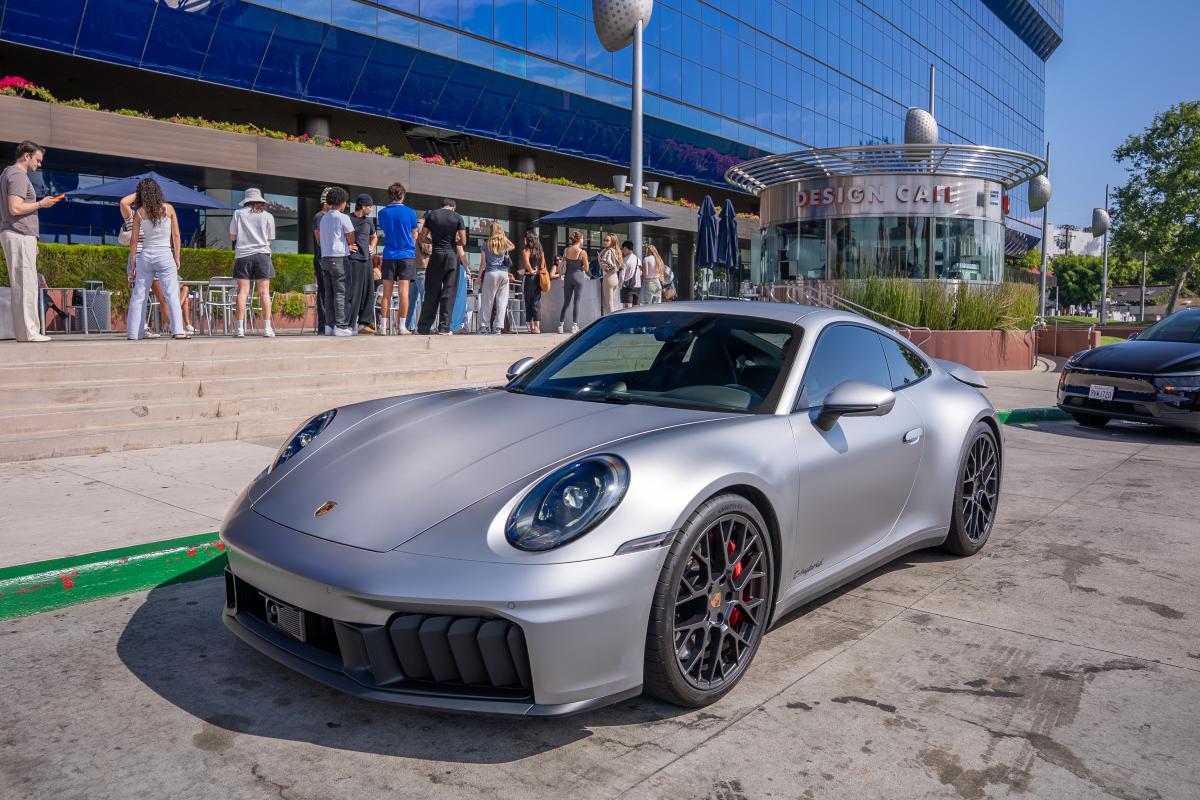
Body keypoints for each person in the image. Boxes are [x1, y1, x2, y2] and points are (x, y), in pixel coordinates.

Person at [1, 141, 60, 342]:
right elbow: (15, 208)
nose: (39, 165)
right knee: (26, 286)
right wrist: (41, 204)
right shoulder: (17, 176)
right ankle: (29, 332)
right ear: (27, 156)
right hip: (18, 235)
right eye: (37, 159)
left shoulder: (8, 174)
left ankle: (26, 332)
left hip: (19, 235)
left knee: (23, 285)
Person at [126, 177, 186, 340]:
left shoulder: (139, 212)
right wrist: (177, 257)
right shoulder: (169, 209)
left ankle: (133, 333)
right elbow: (176, 235)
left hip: (145, 255)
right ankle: (178, 331)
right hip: (165, 255)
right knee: (172, 294)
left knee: (139, 296)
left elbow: (133, 240)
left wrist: (133, 265)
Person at [119, 191, 176, 338]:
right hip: (138, 257)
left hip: (151, 256)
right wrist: (141, 192)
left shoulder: (155, 214)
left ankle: (170, 325)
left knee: (161, 294)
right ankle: (142, 327)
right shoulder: (134, 215)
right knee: (139, 295)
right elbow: (123, 202)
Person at [229, 187, 276, 338]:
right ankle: (267, 329)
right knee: (264, 292)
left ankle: (239, 329)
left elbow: (232, 237)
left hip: (243, 255)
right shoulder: (268, 216)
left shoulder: (238, 214)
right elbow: (270, 240)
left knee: (242, 292)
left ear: (246, 201)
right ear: (260, 200)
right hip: (262, 255)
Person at [416, 198, 466, 335]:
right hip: (451, 256)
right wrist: (454, 243)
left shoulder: (432, 215)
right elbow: (463, 241)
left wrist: (433, 241)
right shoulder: (457, 217)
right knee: (449, 292)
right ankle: (444, 328)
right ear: (453, 207)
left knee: (432, 291)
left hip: (436, 254)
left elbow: (422, 237)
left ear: (443, 206)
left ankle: (423, 327)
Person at [376, 182, 418, 335]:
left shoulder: (382, 213)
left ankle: (382, 327)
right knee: (404, 292)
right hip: (407, 255)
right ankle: (402, 327)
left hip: (389, 254)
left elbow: (385, 229)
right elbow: (414, 233)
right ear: (402, 195)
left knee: (386, 293)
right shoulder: (411, 213)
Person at [317, 186, 357, 336]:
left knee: (329, 293)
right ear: (341, 202)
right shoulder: (342, 217)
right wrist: (350, 243)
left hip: (325, 257)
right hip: (339, 257)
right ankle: (341, 326)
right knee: (341, 292)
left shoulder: (323, 218)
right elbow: (351, 235)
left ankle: (330, 325)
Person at [346, 193, 377, 334]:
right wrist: (347, 247)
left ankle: (363, 323)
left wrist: (372, 247)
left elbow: (374, 237)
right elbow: (340, 236)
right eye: (369, 206)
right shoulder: (348, 219)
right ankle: (350, 324)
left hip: (367, 260)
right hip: (353, 260)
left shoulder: (369, 221)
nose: (370, 209)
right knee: (355, 292)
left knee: (368, 292)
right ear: (363, 206)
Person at [477, 221, 514, 334]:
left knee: (487, 300)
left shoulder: (485, 244)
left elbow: (483, 263)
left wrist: (478, 277)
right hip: (503, 274)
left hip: (491, 273)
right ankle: (498, 327)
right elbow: (513, 246)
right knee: (502, 301)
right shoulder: (504, 243)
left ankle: (484, 326)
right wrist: (503, 236)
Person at [556, 230, 589, 334]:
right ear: (580, 240)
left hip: (568, 277)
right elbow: (586, 269)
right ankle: (574, 325)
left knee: (566, 302)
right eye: (582, 238)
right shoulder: (582, 252)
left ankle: (560, 325)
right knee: (576, 301)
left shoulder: (566, 250)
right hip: (578, 276)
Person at [311, 187, 331, 334]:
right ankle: (323, 325)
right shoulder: (320, 216)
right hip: (321, 258)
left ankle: (329, 323)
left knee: (330, 291)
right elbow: (319, 239)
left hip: (329, 258)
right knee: (323, 291)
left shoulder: (332, 217)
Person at [519, 230, 546, 334]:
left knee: (528, 302)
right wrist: (537, 271)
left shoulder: (526, 250)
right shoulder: (540, 250)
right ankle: (537, 327)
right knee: (536, 302)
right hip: (538, 278)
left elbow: (526, 262)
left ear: (528, 239)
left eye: (524, 238)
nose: (523, 240)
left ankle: (531, 327)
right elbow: (542, 265)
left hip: (529, 278)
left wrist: (530, 271)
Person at [598, 233, 622, 314]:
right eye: (604, 240)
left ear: (612, 241)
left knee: (609, 304)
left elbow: (605, 264)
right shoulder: (617, 251)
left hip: (608, 277)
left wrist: (600, 257)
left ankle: (612, 322)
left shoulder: (608, 251)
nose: (605, 242)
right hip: (615, 278)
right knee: (613, 303)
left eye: (607, 240)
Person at [620, 240, 641, 308]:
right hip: (637, 286)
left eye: (622, 249)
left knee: (627, 308)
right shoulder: (638, 259)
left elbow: (622, 275)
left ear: (625, 248)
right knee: (635, 308)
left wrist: (620, 286)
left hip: (627, 287)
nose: (622, 251)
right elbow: (640, 272)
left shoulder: (625, 260)